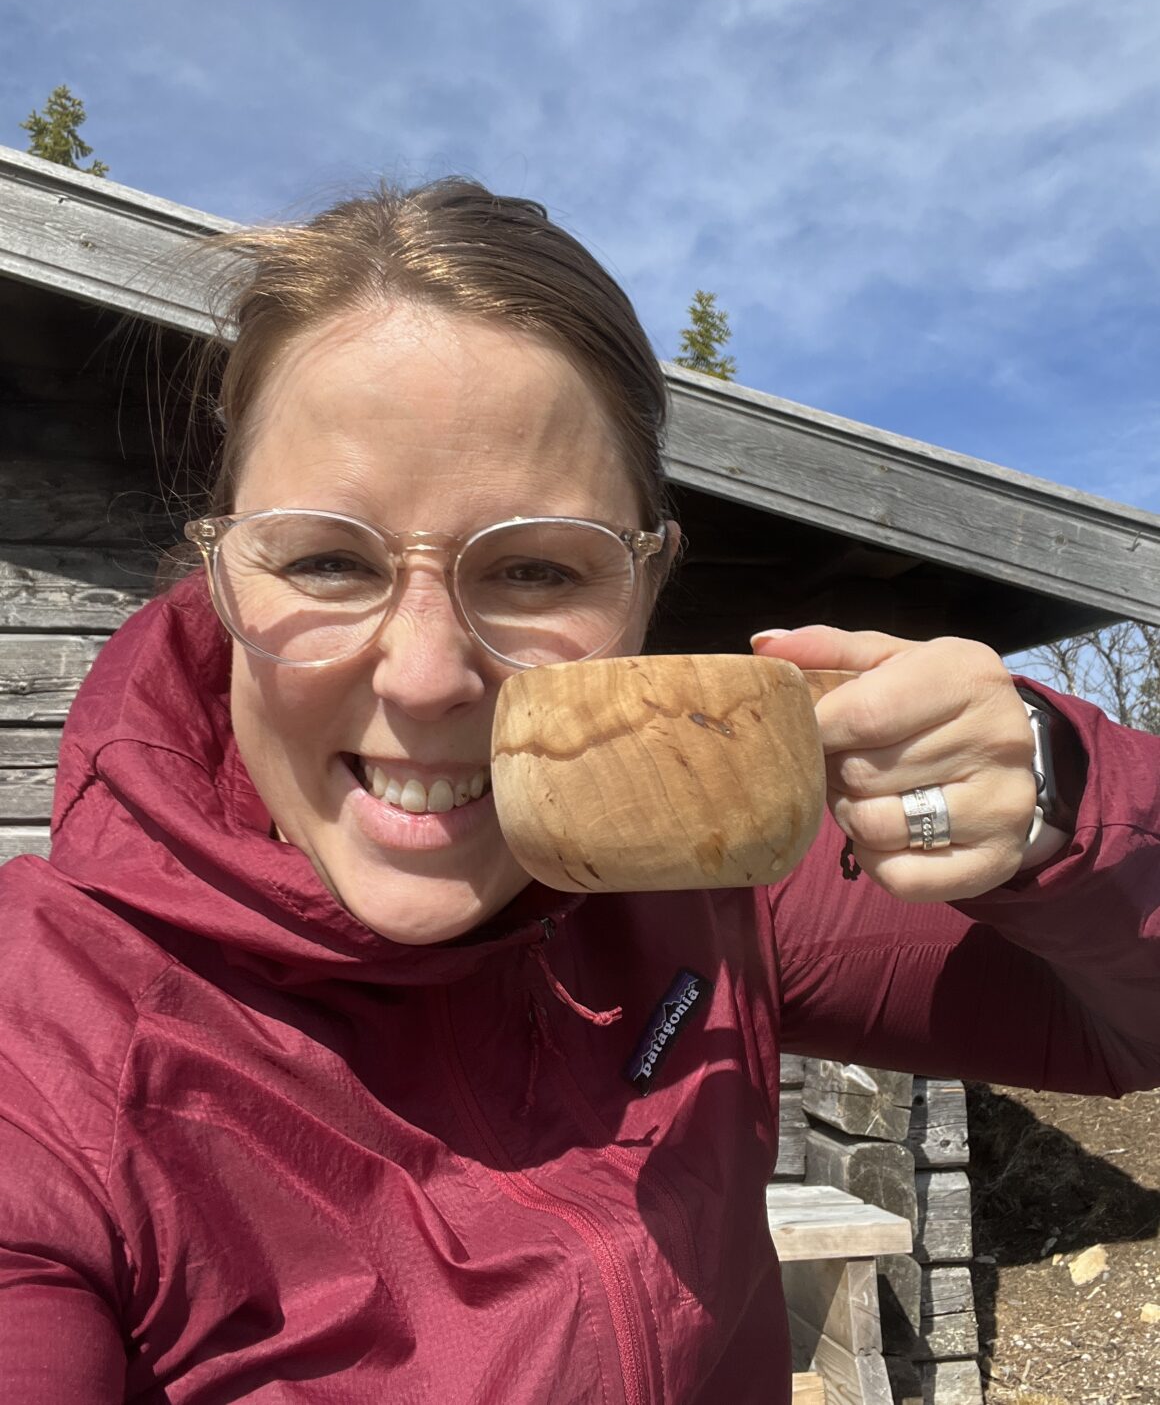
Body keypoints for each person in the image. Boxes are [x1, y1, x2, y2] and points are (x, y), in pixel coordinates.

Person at [1, 179, 1157, 1405]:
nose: (429, 672)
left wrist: (1058, 797)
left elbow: (1117, 1026)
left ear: (646, 587)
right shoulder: (50, 1052)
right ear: (224, 571)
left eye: (537, 566)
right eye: (330, 558)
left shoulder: (700, 883)